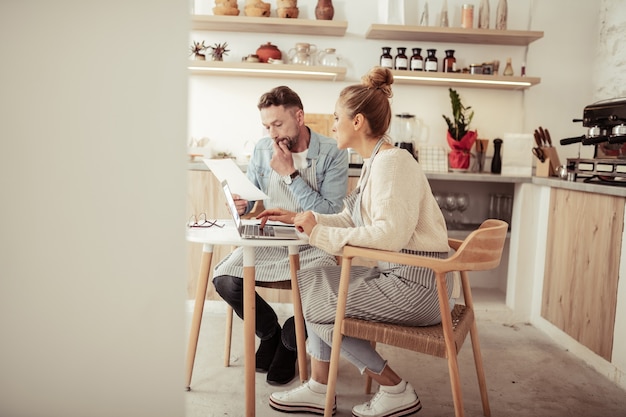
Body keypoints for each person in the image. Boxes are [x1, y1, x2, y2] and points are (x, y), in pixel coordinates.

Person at [258, 67, 453, 417]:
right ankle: (320, 387)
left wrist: (319, 233)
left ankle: (395, 387)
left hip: (418, 288)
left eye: (336, 118)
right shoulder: (374, 161)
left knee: (315, 299)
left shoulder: (392, 163)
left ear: (358, 121)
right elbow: (351, 217)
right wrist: (306, 220)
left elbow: (388, 235)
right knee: (312, 283)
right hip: (403, 278)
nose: (332, 125)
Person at [212, 85, 349, 386]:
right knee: (224, 280)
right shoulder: (263, 148)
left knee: (320, 294)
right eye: (266, 126)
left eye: (278, 124)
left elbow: (331, 212)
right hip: (270, 240)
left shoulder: (333, 152)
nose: (272, 133)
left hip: (314, 242)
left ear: (299, 117)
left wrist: (290, 174)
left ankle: (290, 343)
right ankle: (271, 333)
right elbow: (253, 198)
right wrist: (242, 203)